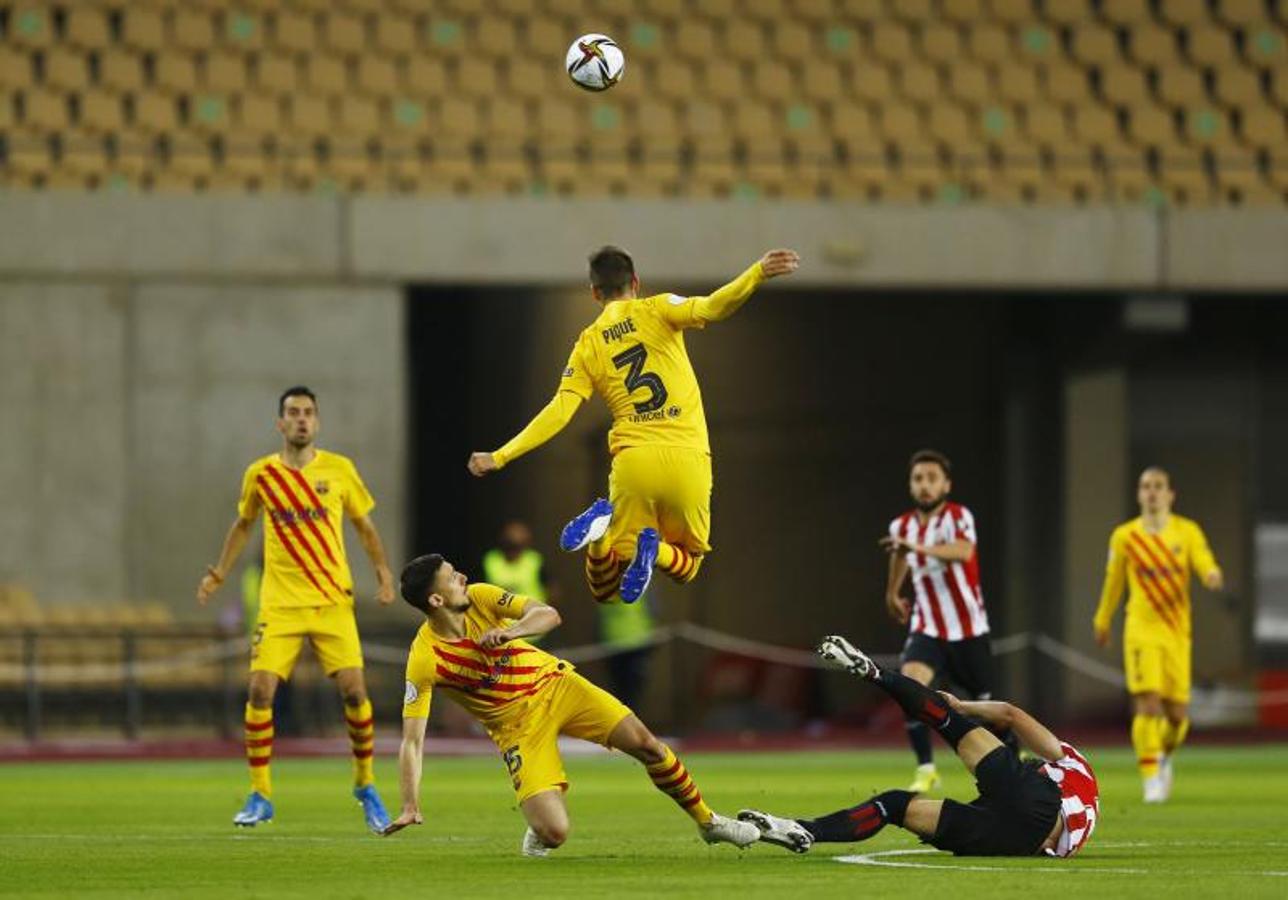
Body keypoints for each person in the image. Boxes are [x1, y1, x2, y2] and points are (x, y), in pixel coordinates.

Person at [467, 246, 800, 605]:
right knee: (690, 565)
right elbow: (712, 307)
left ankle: (598, 535)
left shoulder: (588, 343)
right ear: (636, 282)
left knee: (604, 588)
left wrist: (500, 456)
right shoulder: (658, 307)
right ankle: (654, 553)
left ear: (595, 293)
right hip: (687, 457)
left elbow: (559, 411)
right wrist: (757, 273)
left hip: (634, 463)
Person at [382, 553, 760, 855]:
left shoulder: (481, 596)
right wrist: (410, 804)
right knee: (555, 833)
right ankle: (539, 829)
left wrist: (511, 631)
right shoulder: (425, 660)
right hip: (517, 728)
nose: (462, 576)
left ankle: (709, 822)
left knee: (647, 744)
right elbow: (412, 741)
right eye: (451, 577)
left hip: (558, 684)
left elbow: (548, 613)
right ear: (436, 599)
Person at [197, 386, 396, 832]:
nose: (302, 419)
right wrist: (219, 573)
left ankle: (365, 785)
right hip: (281, 605)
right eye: (293, 413)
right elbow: (243, 524)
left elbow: (364, 527)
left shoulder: (339, 470)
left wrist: (383, 572)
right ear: (280, 423)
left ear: (317, 422)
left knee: (355, 693)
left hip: (331, 602)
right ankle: (260, 793)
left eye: (308, 413)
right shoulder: (262, 474)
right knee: (260, 693)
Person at [739, 635, 1100, 859]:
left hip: (1034, 807)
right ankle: (802, 830)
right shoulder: (1081, 790)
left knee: (947, 720)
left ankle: (874, 672)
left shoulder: (1070, 763)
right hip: (1020, 842)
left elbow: (1011, 713)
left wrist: (962, 706)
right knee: (896, 805)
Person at [1093, 466, 1223, 803]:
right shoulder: (1125, 536)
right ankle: (1150, 773)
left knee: (1177, 717)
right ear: (1139, 494)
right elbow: (1114, 581)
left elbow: (1203, 558)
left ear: (1170, 494)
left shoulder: (1186, 531)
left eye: (1158, 486)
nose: (1152, 492)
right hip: (1141, 629)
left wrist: (1211, 574)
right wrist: (1103, 618)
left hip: (1177, 632)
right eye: (1146, 486)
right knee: (1147, 703)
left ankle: (1164, 755)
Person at [878, 449, 1003, 794]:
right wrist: (892, 593)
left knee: (984, 707)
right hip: (928, 627)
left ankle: (1010, 765)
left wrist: (913, 547)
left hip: (968, 630)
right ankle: (926, 768)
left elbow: (962, 551)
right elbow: (900, 556)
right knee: (910, 685)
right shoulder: (901, 526)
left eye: (932, 478)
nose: (925, 485)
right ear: (910, 485)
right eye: (918, 478)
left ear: (946, 484)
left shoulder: (959, 516)